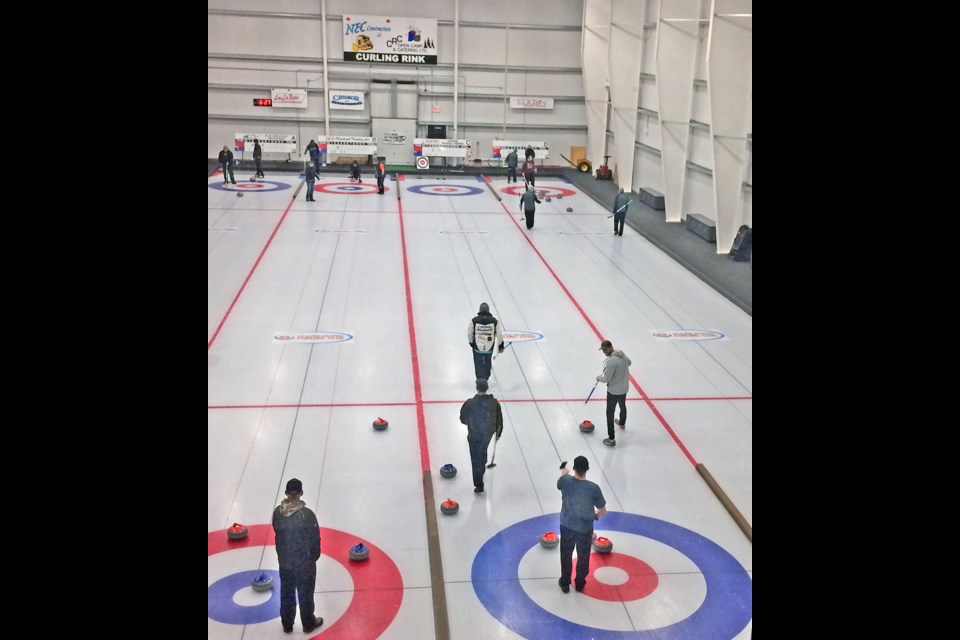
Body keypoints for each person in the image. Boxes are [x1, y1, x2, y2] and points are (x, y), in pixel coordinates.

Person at [272, 478, 324, 634]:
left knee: (287, 592)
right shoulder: (307, 515)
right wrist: (313, 556)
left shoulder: (277, 513)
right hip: (304, 563)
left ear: (286, 493)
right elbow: (315, 538)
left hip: (285, 561)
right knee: (306, 593)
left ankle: (287, 623)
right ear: (301, 493)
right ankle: (308, 622)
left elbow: (278, 533)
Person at [557, 456, 607, 593]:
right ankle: (579, 583)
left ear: (574, 468)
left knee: (566, 554)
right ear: (587, 469)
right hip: (584, 529)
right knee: (583, 556)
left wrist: (564, 473)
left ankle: (565, 583)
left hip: (566, 525)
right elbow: (602, 511)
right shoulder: (593, 488)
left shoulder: (565, 481)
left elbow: (560, 482)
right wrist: (594, 516)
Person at [459, 378, 504, 493]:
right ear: (487, 388)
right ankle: (482, 466)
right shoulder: (494, 403)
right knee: (483, 450)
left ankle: (479, 484)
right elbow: (499, 420)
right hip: (487, 434)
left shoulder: (469, 403)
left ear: (477, 388)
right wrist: (498, 433)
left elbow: (463, 419)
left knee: (475, 459)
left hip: (474, 435)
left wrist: (470, 423)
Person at [596, 339, 632, 446]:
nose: (604, 352)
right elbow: (629, 362)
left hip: (613, 391)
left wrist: (599, 378)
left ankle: (611, 439)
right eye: (603, 350)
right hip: (624, 388)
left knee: (610, 414)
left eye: (605, 349)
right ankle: (622, 423)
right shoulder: (621, 354)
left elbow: (606, 379)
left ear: (611, 347)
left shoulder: (611, 361)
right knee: (622, 405)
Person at [467, 302, 504, 382]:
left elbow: (470, 333)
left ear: (480, 310)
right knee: (487, 362)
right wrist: (500, 345)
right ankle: (486, 378)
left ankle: (479, 381)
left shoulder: (474, 320)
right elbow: (499, 335)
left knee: (478, 364)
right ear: (488, 310)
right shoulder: (495, 321)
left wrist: (471, 343)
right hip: (489, 347)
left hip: (477, 347)